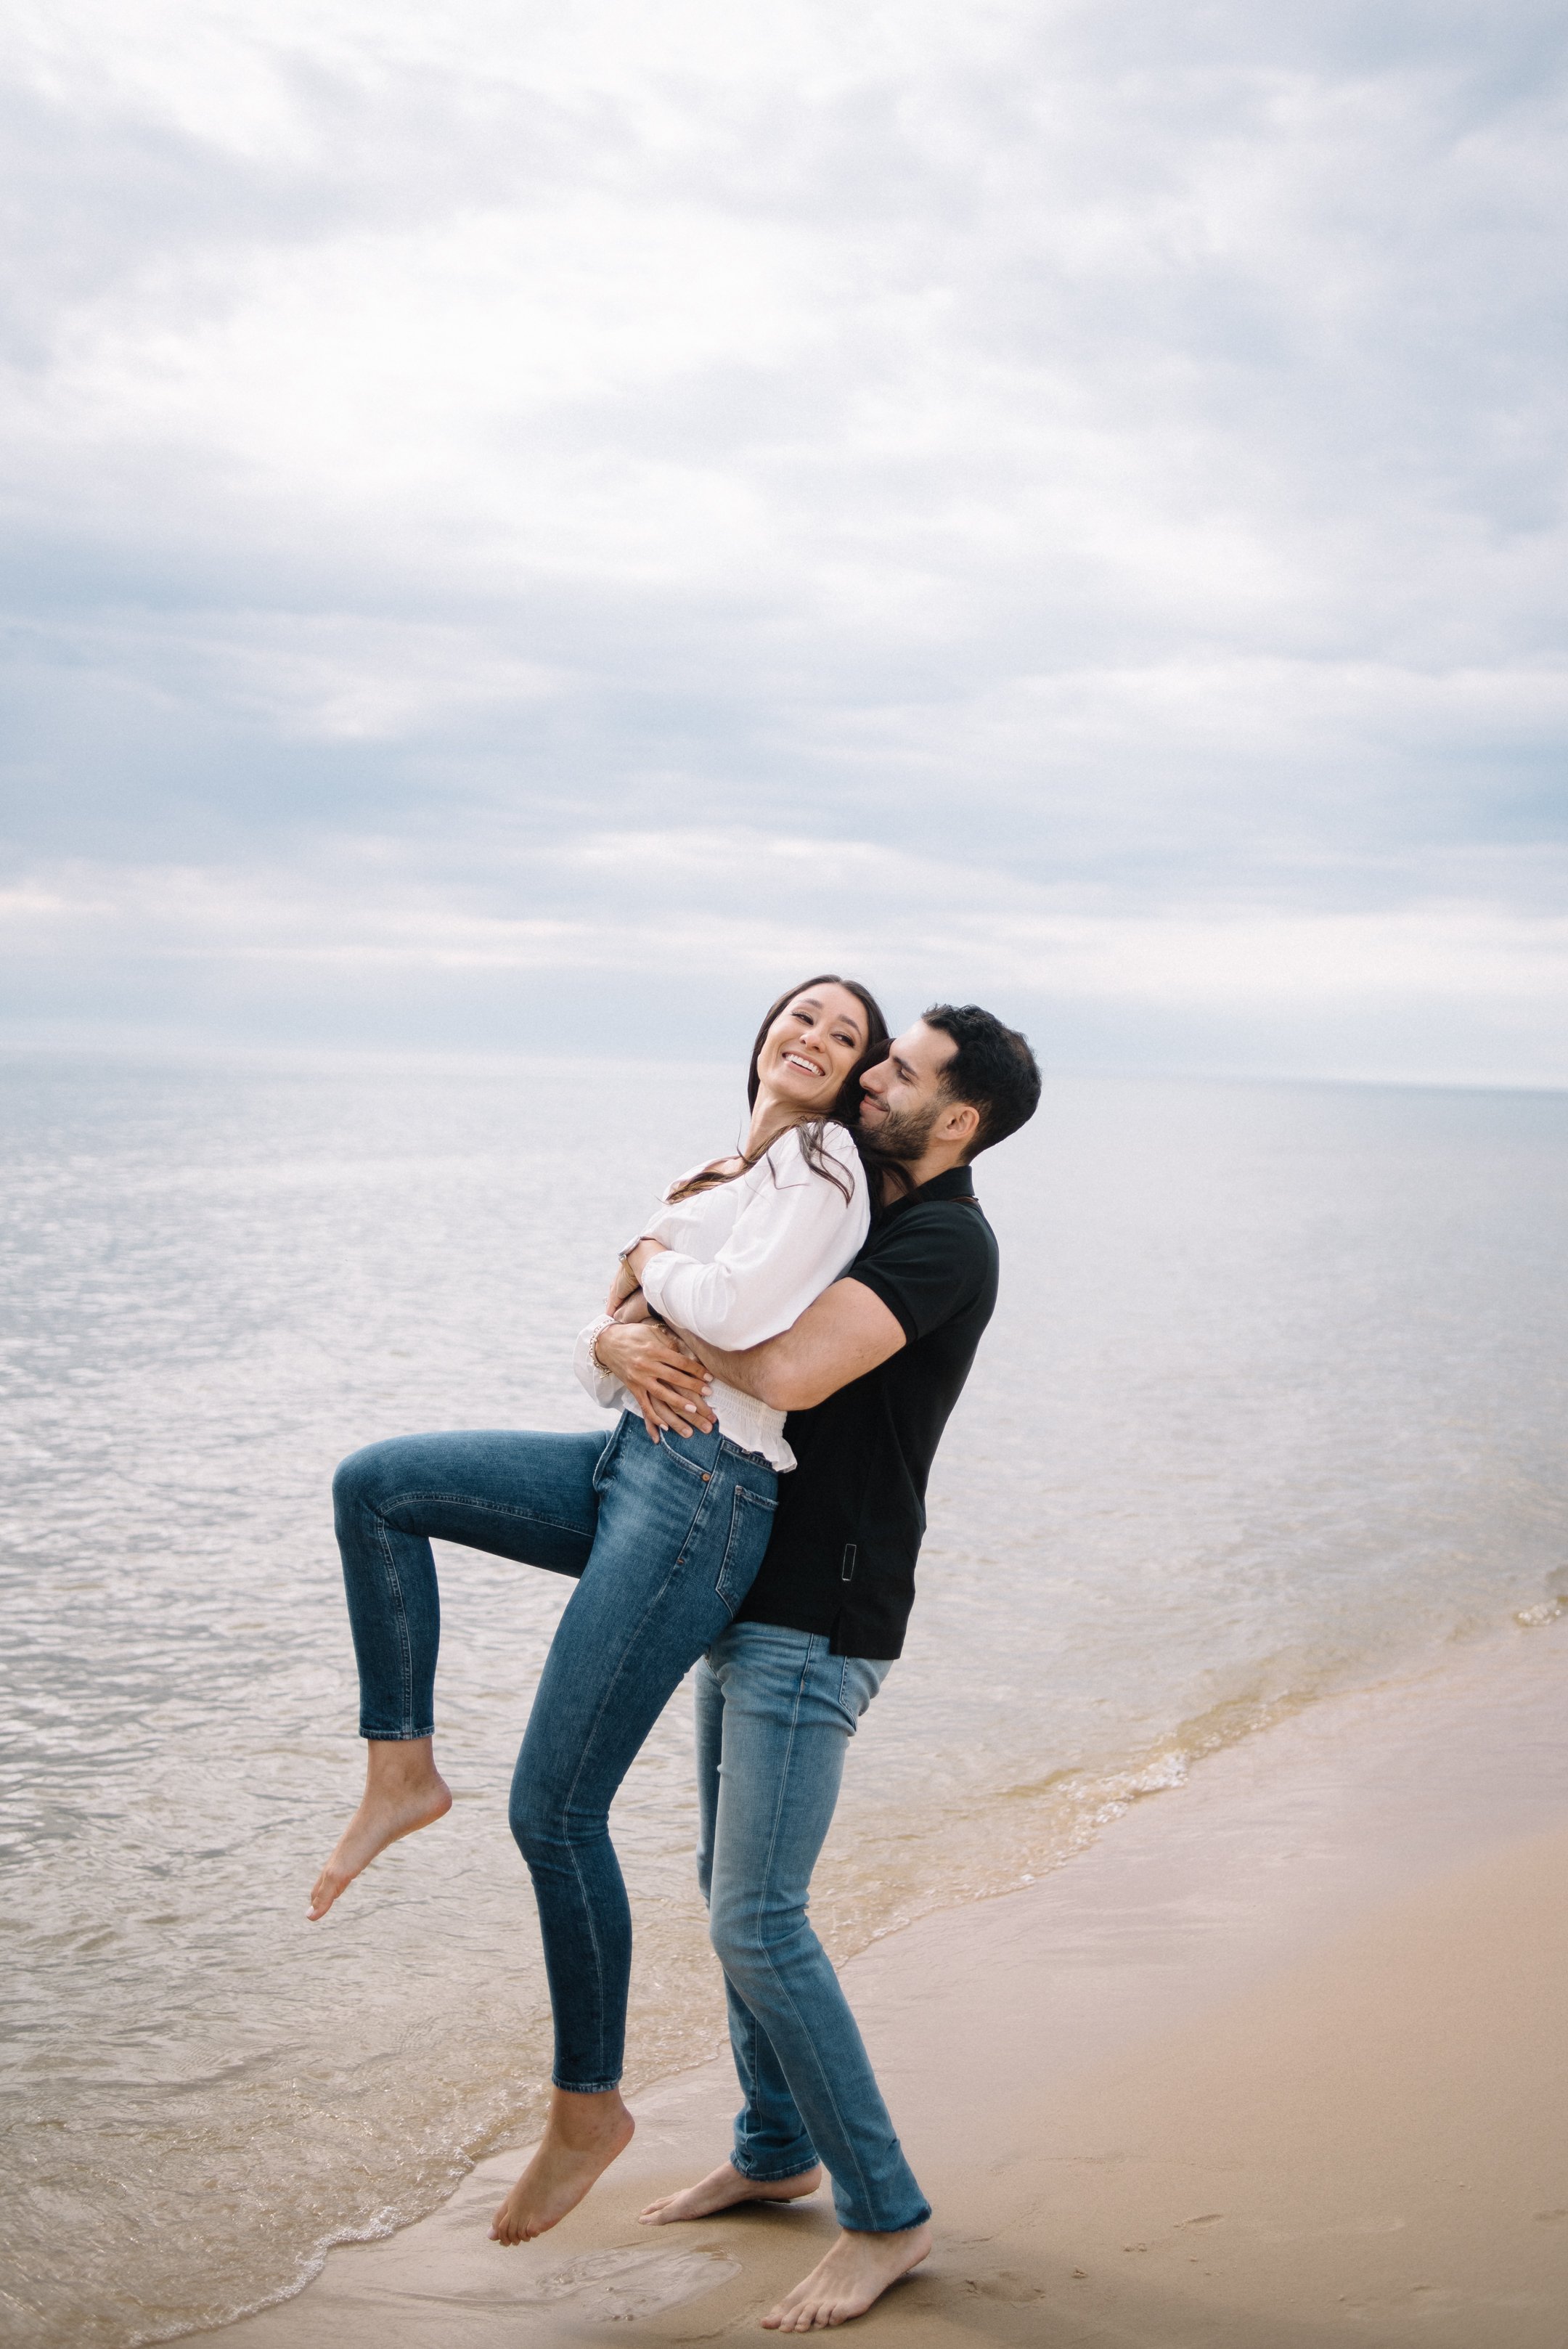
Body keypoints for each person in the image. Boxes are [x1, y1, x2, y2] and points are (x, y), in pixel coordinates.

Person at [307, 976, 891, 2245]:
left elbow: (729, 1315)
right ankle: (399, 1766)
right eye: (803, 1016)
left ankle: (588, 2107)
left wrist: (640, 1272)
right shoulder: (710, 1171)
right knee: (379, 1486)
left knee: (554, 1811)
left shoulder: (828, 1166)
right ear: (763, 1034)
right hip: (631, 1457)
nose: (815, 1040)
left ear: (855, 1079)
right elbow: (593, 1350)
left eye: (845, 1038)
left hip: (708, 1492)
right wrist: (622, 1322)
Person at [594, 1004, 1041, 2333]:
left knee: (758, 1917)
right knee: (722, 1889)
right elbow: (715, 1291)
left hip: (825, 1615)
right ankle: (774, 2145)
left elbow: (782, 1366)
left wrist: (647, 1279)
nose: (871, 1073)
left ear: (956, 1123)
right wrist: (627, 1318)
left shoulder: (944, 1240)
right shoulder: (848, 1199)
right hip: (753, 1589)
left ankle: (886, 2214)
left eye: (900, 1071)